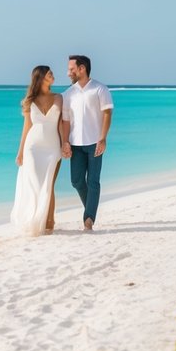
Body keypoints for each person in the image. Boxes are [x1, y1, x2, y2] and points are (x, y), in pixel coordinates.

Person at [61, 54, 113, 231]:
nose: (68, 73)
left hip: (95, 142)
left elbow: (107, 113)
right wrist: (65, 142)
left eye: (71, 69)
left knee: (93, 181)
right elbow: (66, 120)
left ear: (81, 68)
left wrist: (103, 138)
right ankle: (90, 207)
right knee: (76, 181)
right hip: (75, 144)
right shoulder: (68, 94)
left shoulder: (100, 89)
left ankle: (88, 219)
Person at [11, 65, 63, 236]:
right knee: (34, 183)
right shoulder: (30, 101)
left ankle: (49, 222)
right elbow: (26, 127)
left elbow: (61, 124)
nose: (53, 76)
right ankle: (32, 218)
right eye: (50, 74)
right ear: (40, 78)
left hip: (53, 147)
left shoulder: (59, 98)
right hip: (32, 148)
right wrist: (20, 152)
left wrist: (65, 144)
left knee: (48, 184)